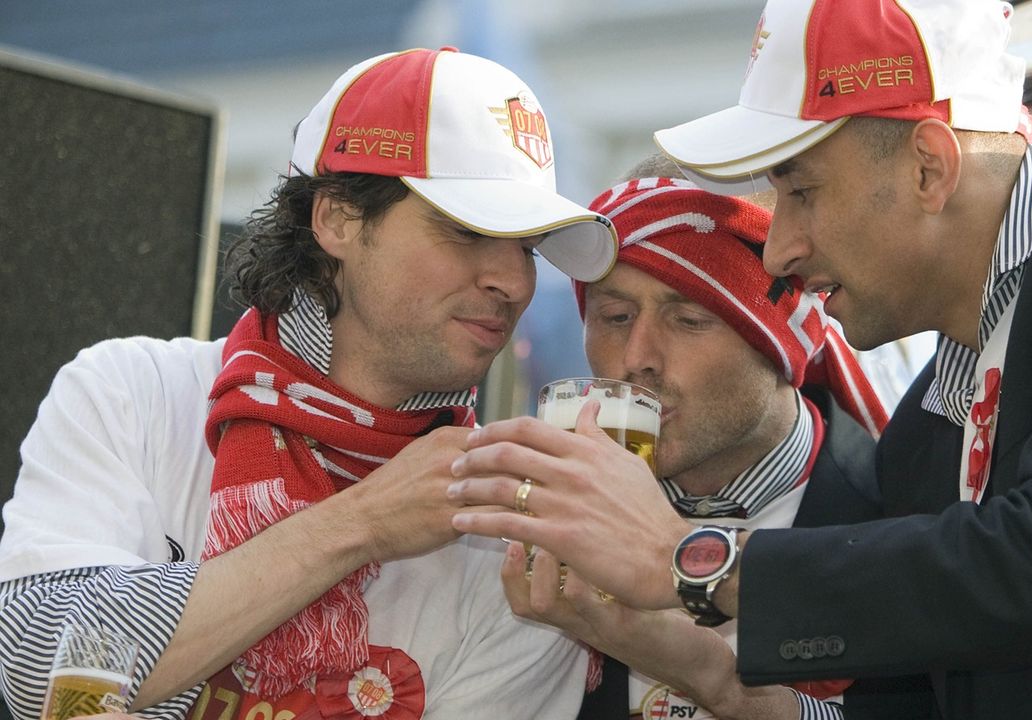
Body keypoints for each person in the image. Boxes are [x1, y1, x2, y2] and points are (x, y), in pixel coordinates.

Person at [445, 1, 1032, 718]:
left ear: (929, 166)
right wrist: (660, 648)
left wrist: (687, 558)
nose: (777, 250)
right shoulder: (919, 437)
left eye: (800, 191)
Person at [0, 47, 619, 720]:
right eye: (469, 230)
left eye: (527, 247)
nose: (514, 281)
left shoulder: (508, 541)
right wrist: (357, 526)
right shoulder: (132, 391)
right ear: (338, 219)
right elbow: (35, 666)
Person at [505, 154, 934, 720]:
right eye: (614, 317)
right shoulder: (536, 523)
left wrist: (721, 685)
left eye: (688, 320)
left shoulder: (910, 515)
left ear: (781, 341)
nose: (638, 359)